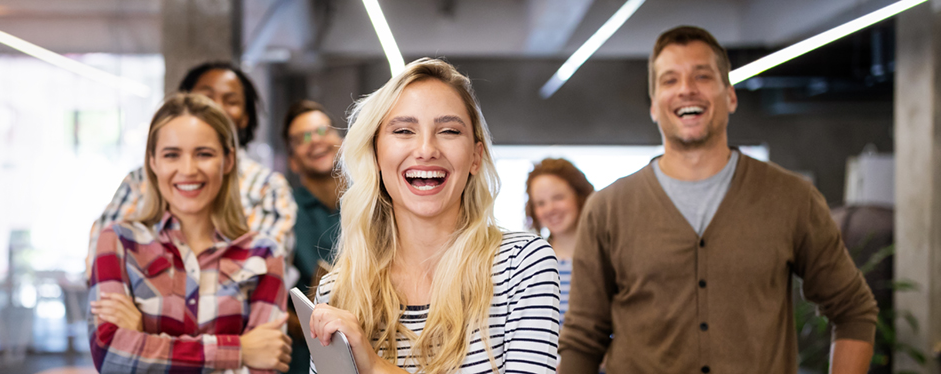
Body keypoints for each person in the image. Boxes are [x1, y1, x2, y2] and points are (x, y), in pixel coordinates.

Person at [558, 26, 879, 374]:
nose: (686, 89)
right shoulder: (607, 210)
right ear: (653, 106)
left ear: (730, 96)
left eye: (702, 76)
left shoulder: (791, 198)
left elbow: (853, 311)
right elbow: (582, 340)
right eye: (669, 80)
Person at [307, 58, 560, 374]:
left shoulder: (522, 266)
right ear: (375, 155)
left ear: (475, 157)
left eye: (449, 130)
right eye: (403, 130)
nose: (426, 149)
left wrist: (373, 367)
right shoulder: (338, 292)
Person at [88, 93, 291, 373]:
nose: (188, 170)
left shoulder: (264, 254)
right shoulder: (118, 241)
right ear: (153, 162)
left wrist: (143, 339)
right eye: (172, 155)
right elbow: (111, 356)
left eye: (204, 154)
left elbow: (265, 363)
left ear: (228, 161)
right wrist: (241, 350)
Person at [86, 61, 297, 277]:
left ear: (245, 116)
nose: (187, 170)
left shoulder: (268, 186)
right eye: (206, 96)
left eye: (230, 100)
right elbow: (101, 261)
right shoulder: (139, 180)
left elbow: (262, 274)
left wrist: (149, 290)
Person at [280, 100, 345, 374]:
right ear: (293, 160)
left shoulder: (375, 202)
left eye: (323, 130)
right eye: (303, 137)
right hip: (307, 354)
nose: (316, 140)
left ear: (340, 139)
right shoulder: (283, 212)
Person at [525, 158, 594, 325]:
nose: (550, 209)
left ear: (580, 196)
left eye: (558, 198)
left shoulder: (606, 258)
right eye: (540, 203)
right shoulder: (529, 263)